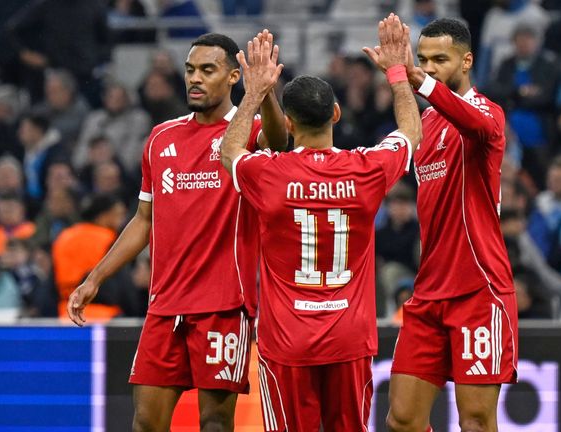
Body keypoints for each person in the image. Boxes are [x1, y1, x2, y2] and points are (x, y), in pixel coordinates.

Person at [66, 32, 286, 431]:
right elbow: (143, 220)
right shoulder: (160, 138)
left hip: (224, 304)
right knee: (146, 423)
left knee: (215, 423)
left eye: (207, 70)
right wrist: (94, 277)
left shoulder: (248, 132)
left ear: (234, 76)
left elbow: (280, 139)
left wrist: (264, 91)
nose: (194, 79)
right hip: (164, 304)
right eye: (189, 70)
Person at [220, 16, 421, 429]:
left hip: (287, 341)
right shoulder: (366, 169)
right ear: (335, 112)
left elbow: (230, 150)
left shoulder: (268, 173)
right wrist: (398, 72)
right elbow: (410, 132)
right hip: (349, 336)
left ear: (289, 124)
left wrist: (255, 92)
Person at [364, 17, 517, 431]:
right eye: (423, 59)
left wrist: (417, 82)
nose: (428, 67)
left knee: (477, 421)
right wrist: (399, 82)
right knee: (403, 420)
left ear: (466, 61)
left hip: (478, 290)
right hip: (429, 292)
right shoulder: (427, 125)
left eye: (439, 60)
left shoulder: (487, 114)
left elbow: (477, 124)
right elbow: (396, 140)